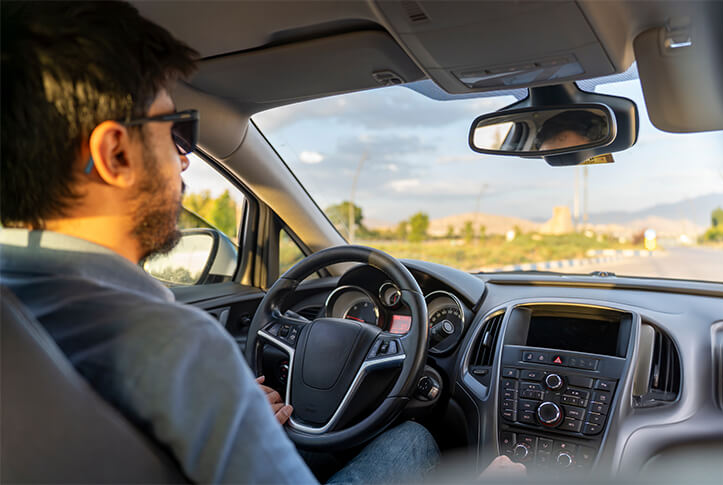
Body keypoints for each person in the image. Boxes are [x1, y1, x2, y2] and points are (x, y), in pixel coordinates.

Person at [0, 2, 522, 483]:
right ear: (115, 153)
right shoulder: (175, 348)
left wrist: (235, 410)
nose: (185, 159)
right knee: (414, 439)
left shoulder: (21, 311)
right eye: (175, 131)